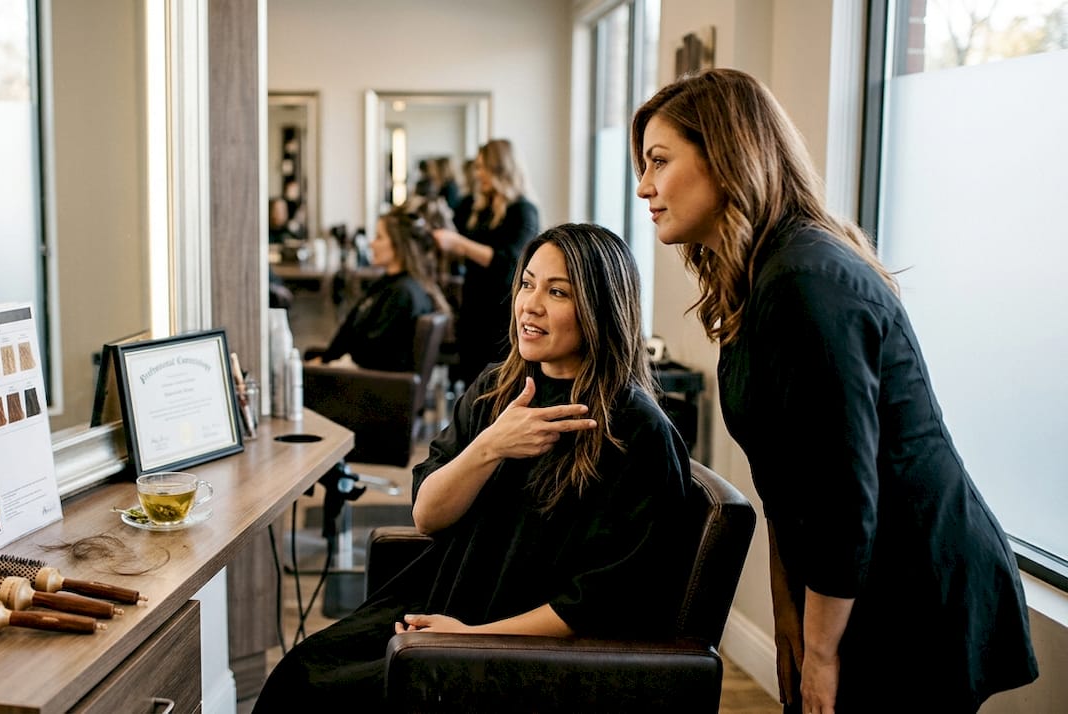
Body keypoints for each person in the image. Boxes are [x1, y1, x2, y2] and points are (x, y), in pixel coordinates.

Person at [631, 68, 1037, 714]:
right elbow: (784, 477)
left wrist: (820, 651)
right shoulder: (759, 277)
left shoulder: (804, 280)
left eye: (658, 161)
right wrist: (787, 613)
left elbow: (842, 493)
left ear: (726, 158)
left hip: (913, 589)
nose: (644, 186)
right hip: (857, 580)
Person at [253, 223, 692, 711]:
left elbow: (599, 603)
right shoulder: (495, 389)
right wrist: (490, 446)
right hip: (448, 606)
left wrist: (472, 638)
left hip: (522, 652)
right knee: (300, 672)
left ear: (602, 308)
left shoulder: (634, 432)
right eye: (526, 284)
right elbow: (427, 516)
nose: (531, 304)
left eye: (558, 292)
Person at [432, 138, 539, 388]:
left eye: (483, 168)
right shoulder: (477, 209)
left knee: (496, 386)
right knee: (472, 385)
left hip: (501, 313)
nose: (477, 174)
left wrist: (459, 244)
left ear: (501, 169)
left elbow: (510, 261)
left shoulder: (523, 211)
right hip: (473, 309)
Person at [308, 209, 450, 373]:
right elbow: (349, 336)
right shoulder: (389, 284)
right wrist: (326, 360)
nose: (371, 243)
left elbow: (370, 355)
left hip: (371, 386)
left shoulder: (403, 293)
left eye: (379, 237)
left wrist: (327, 365)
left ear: (399, 245)